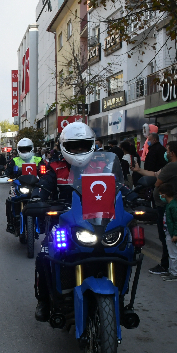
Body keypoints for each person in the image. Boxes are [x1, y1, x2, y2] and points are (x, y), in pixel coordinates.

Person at [34, 121, 122, 320]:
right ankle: (44, 301)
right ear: (65, 147)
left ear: (91, 144)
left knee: (128, 248)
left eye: (83, 145)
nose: (79, 150)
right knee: (44, 256)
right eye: (74, 146)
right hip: (64, 225)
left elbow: (120, 188)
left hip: (101, 224)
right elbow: (43, 190)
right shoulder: (55, 168)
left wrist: (134, 199)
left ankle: (121, 297)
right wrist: (38, 200)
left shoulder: (103, 166)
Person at [133, 140, 177, 275]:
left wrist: (156, 185)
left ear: (172, 153)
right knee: (164, 236)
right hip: (164, 206)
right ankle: (166, 264)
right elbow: (155, 174)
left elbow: (157, 181)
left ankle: (167, 266)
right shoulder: (171, 165)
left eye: (167, 151)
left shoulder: (173, 166)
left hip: (167, 206)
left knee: (167, 237)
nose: (166, 153)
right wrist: (139, 170)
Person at [5, 138, 49, 234]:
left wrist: (43, 172)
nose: (24, 151)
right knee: (10, 200)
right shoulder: (15, 160)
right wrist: (7, 176)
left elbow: (45, 171)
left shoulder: (38, 159)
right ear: (18, 149)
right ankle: (11, 223)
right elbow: (7, 172)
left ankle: (43, 222)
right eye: (22, 149)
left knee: (45, 199)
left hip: (35, 185)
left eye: (27, 149)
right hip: (20, 185)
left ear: (31, 149)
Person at [158, 182, 177, 282]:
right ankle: (171, 271)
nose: (160, 196)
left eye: (160, 193)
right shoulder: (171, 205)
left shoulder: (173, 206)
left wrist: (176, 234)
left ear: (164, 194)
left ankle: (174, 274)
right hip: (169, 233)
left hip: (172, 234)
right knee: (171, 253)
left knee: (173, 254)